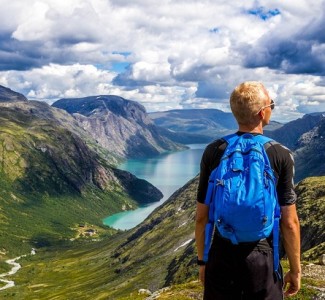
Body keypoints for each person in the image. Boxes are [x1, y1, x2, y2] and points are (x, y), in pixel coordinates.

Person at [195, 81, 301, 299]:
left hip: (222, 254)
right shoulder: (280, 154)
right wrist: (295, 270)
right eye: (272, 104)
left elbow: (202, 218)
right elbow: (289, 222)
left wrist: (203, 262)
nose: (272, 107)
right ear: (263, 113)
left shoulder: (214, 151)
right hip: (262, 257)